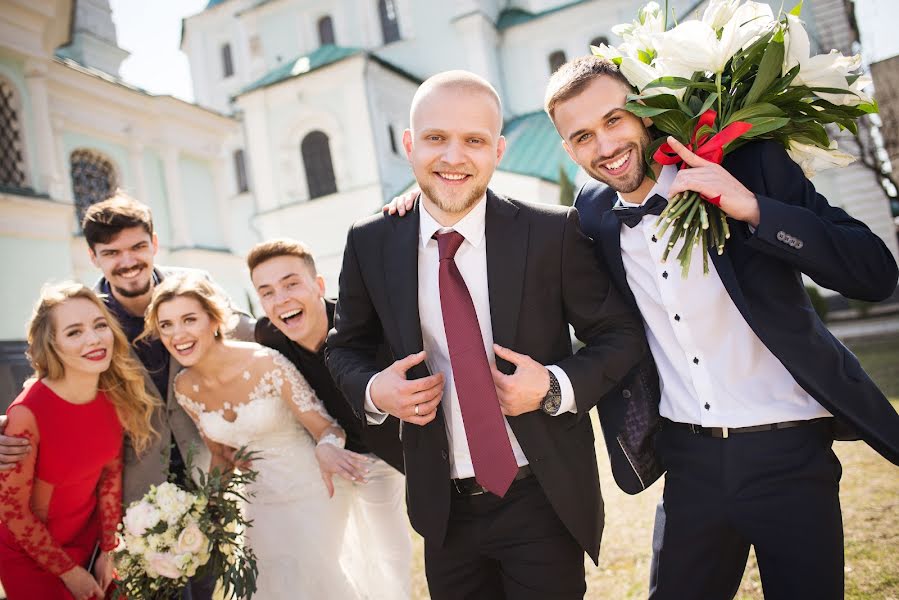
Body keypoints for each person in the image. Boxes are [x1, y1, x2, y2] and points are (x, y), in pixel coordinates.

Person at [542, 55, 899, 599]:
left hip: (792, 456)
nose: (606, 146)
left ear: (645, 112)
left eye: (615, 120)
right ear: (569, 150)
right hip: (690, 464)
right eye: (583, 136)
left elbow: (874, 273)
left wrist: (755, 210)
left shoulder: (748, 164)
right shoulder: (590, 215)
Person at [326, 70, 645, 599]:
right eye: (435, 139)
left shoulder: (552, 234)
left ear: (497, 150)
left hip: (541, 495)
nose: (454, 157)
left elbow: (619, 334)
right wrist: (374, 391)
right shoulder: (371, 242)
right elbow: (345, 346)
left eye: (473, 140)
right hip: (443, 509)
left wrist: (553, 386)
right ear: (409, 145)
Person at [0, 193, 254, 600]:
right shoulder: (88, 316)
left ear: (154, 243)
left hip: (207, 478)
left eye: (138, 247)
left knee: (207, 591)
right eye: (112, 252)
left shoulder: (192, 287)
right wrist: (7, 424)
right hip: (133, 495)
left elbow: (248, 335)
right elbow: (52, 378)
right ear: (93, 256)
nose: (128, 260)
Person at [141, 273, 364, 600]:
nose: (178, 334)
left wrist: (328, 448)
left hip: (314, 486)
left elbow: (327, 428)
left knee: (315, 580)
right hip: (258, 501)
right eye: (167, 325)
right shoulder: (185, 387)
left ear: (214, 319)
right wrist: (205, 511)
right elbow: (221, 455)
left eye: (189, 319)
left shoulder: (265, 363)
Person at [247, 238, 412, 599]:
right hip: (319, 455)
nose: (282, 299)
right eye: (267, 292)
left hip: (385, 454)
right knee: (322, 559)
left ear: (319, 285)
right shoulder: (266, 337)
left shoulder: (366, 324)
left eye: (291, 283)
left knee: (391, 552)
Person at [0, 283, 157, 599]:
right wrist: (69, 573)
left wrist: (108, 548)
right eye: (74, 332)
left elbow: (110, 478)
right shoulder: (27, 413)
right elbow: (12, 512)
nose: (94, 339)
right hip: (31, 553)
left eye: (100, 325)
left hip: (89, 544)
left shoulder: (112, 397)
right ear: (53, 344)